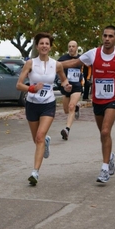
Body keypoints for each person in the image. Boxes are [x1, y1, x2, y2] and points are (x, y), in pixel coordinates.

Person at [61, 25, 115, 183]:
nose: (107, 39)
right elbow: (74, 63)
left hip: (114, 97)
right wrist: (52, 64)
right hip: (98, 99)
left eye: (110, 36)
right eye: (105, 36)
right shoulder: (93, 54)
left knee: (106, 132)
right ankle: (111, 156)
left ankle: (104, 169)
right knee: (103, 134)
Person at [16, 32, 71, 185]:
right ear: (37, 46)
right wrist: (31, 88)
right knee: (37, 139)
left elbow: (63, 80)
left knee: (39, 136)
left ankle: (35, 172)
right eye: (41, 43)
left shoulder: (56, 64)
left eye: (47, 44)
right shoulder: (30, 63)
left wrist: (67, 86)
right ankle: (46, 141)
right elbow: (19, 84)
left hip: (48, 103)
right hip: (32, 104)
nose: (44, 46)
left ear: (50, 47)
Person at [57, 41, 83, 140]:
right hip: (66, 86)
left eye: (73, 46)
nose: (71, 48)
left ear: (77, 48)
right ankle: (76, 107)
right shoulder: (63, 59)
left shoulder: (81, 59)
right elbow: (57, 70)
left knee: (71, 106)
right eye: (69, 46)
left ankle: (67, 130)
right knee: (66, 110)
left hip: (76, 86)